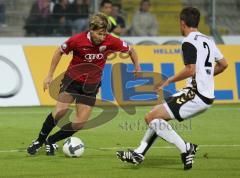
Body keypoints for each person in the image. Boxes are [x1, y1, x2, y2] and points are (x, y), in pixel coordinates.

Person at [116, 7, 228, 170]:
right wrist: (206, 77)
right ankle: (139, 153)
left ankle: (186, 148)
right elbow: (224, 64)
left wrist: (168, 80)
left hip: (195, 94)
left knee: (150, 118)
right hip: (204, 95)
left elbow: (190, 69)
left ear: (182, 23)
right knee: (157, 117)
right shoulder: (208, 40)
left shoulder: (188, 41)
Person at [27, 12, 141, 156]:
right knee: (60, 112)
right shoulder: (77, 40)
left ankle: (51, 140)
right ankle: (39, 140)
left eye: (105, 34)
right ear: (91, 30)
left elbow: (132, 50)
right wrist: (49, 75)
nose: (103, 37)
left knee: (80, 123)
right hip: (72, 80)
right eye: (99, 34)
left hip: (91, 85)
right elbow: (59, 51)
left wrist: (137, 66)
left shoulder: (111, 41)